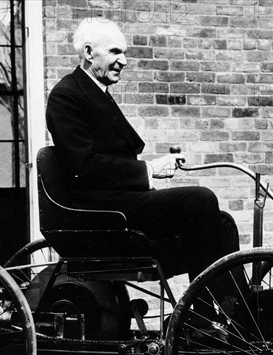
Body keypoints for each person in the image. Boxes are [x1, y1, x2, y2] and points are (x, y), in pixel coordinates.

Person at [45, 18, 241, 337]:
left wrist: (146, 172)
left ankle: (235, 313)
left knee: (222, 223)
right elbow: (83, 168)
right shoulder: (67, 95)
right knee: (201, 199)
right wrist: (146, 170)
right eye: (115, 52)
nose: (123, 60)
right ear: (89, 52)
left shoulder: (97, 92)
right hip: (99, 212)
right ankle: (199, 320)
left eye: (124, 52)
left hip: (119, 203)